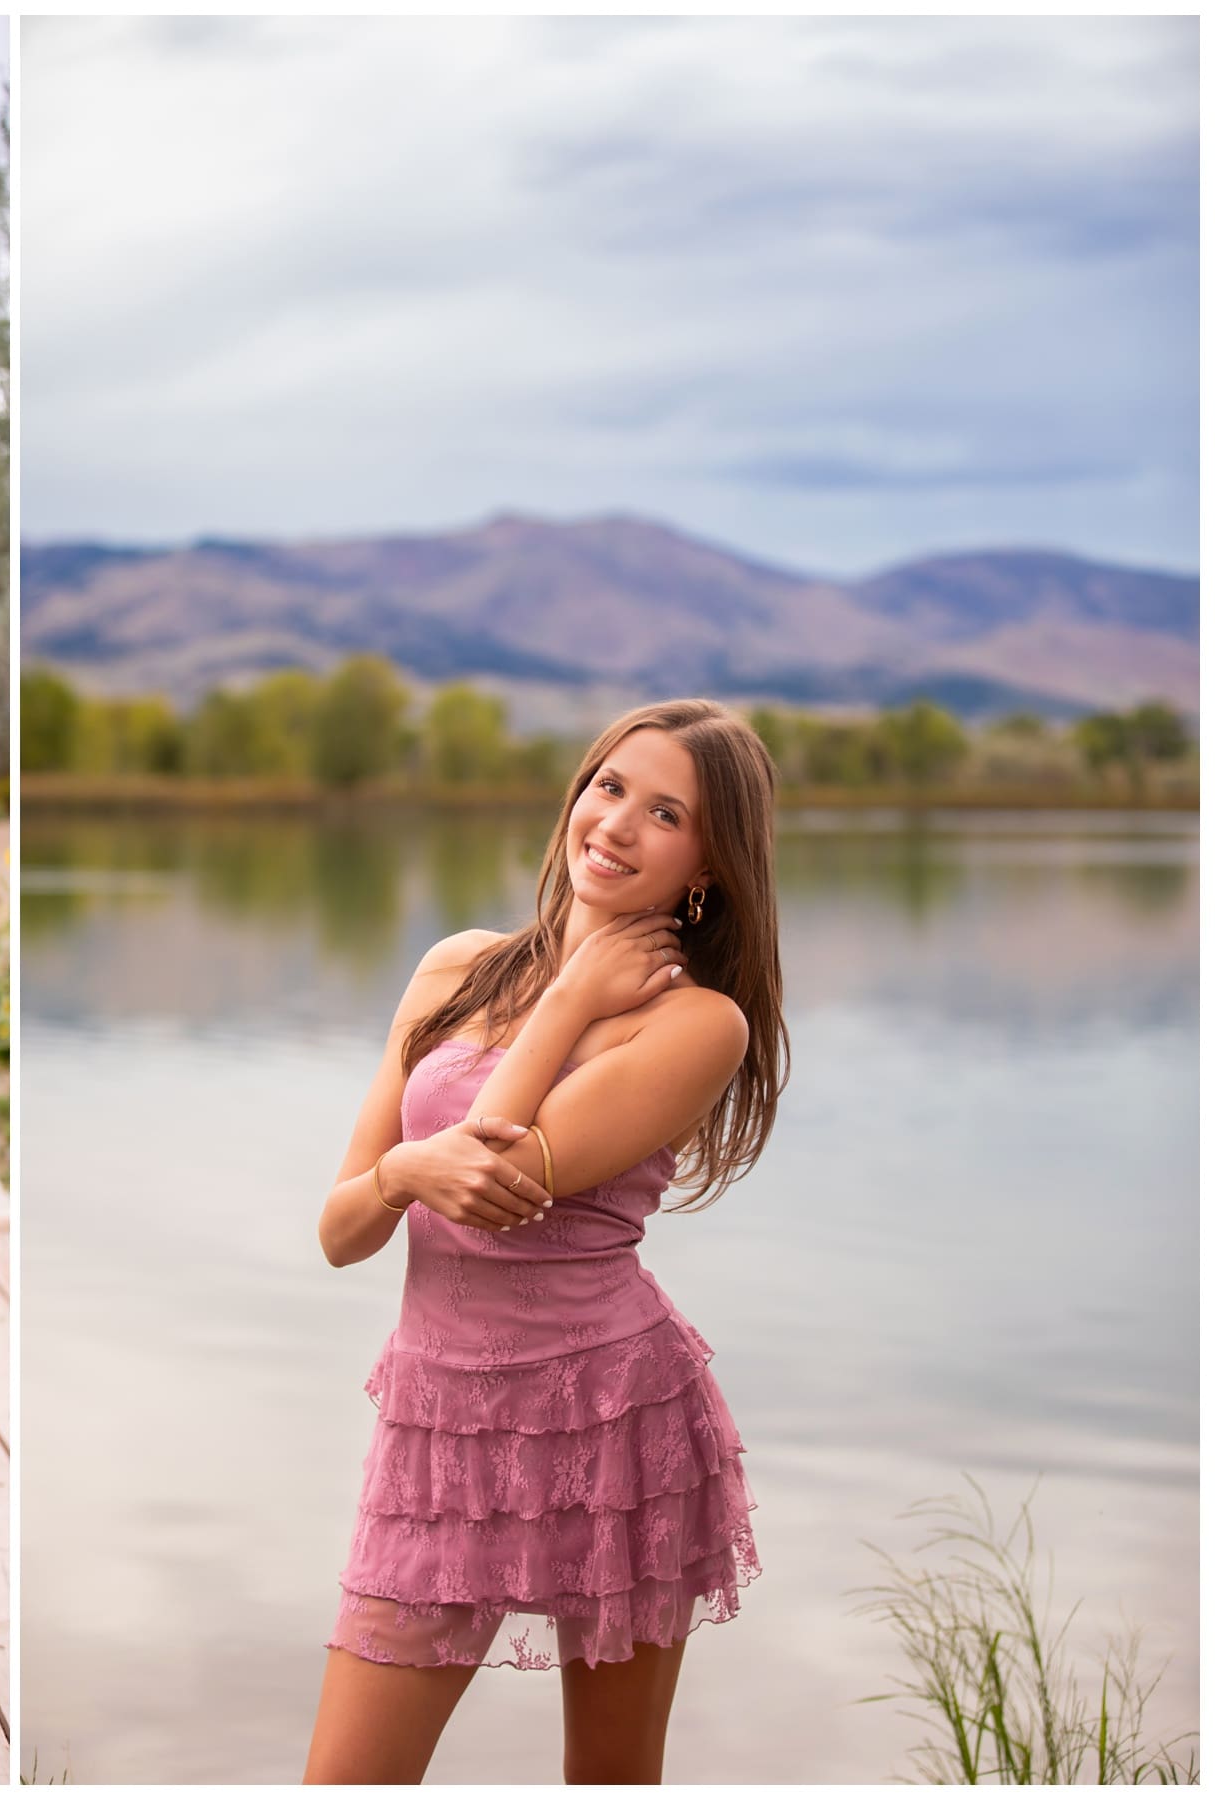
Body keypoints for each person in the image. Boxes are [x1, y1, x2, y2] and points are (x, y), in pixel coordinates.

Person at [302, 697, 787, 1784]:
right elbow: (343, 1232)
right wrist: (395, 1173)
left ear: (708, 865)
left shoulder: (698, 1024)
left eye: (665, 813)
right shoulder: (452, 970)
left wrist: (568, 1000)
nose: (614, 825)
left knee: (609, 1781)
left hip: (614, 1417)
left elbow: (493, 1181)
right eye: (608, 787)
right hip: (440, 1420)